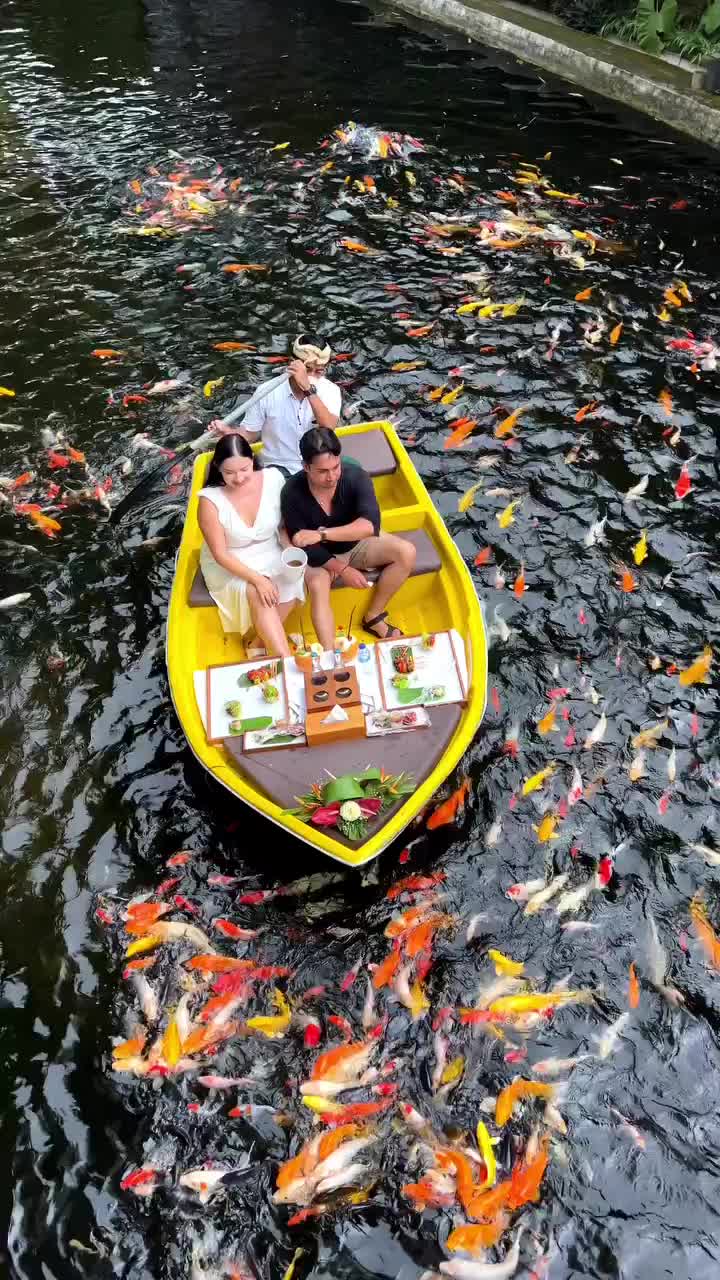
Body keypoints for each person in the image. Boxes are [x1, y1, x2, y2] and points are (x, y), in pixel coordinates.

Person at [281, 426, 416, 650]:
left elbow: (370, 525)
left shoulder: (355, 476)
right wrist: (341, 568)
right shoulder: (291, 492)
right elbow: (303, 546)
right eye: (323, 471)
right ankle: (330, 653)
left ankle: (373, 616)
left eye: (336, 467)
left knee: (406, 552)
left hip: (356, 543)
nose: (332, 476)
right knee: (318, 586)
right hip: (320, 556)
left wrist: (321, 533)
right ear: (306, 467)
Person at [197, 434, 304, 658]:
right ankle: (286, 659)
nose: (238, 478)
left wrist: (288, 549)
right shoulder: (209, 501)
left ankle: (258, 643)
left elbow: (284, 526)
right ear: (218, 468)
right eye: (229, 473)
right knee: (258, 590)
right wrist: (257, 578)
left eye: (244, 469)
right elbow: (219, 554)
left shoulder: (274, 478)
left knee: (293, 576)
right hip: (230, 561)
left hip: (269, 548)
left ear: (253, 460)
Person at [208, 334, 342, 477]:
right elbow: (249, 435)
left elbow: (328, 427)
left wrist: (308, 389)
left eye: (319, 371)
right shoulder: (267, 392)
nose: (313, 376)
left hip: (317, 465)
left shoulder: (330, 390)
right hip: (278, 468)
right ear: (293, 363)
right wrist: (227, 431)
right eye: (307, 370)